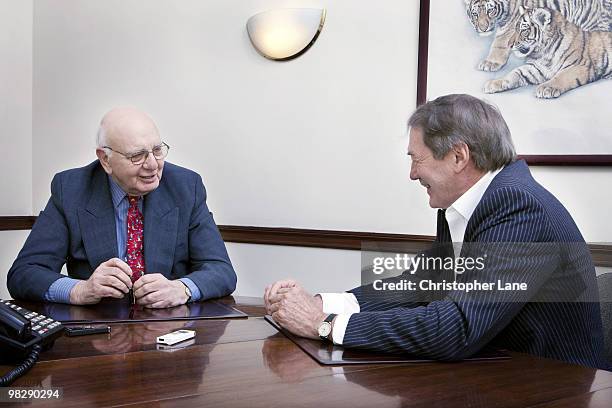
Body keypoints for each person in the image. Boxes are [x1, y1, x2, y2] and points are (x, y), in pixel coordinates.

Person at [264, 94, 608, 369]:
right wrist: (321, 302)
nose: (413, 174)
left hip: (552, 385)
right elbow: (418, 286)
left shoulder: (519, 206)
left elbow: (456, 328)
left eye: (417, 159)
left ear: (459, 157)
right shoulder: (466, 205)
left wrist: (323, 324)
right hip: (501, 369)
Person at [7, 107, 236, 308]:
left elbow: (221, 271)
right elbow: (23, 274)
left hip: (171, 333)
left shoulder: (186, 186)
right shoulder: (71, 190)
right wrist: (80, 290)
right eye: (137, 156)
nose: (153, 165)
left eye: (157, 150)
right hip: (97, 337)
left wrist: (182, 289)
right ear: (105, 160)